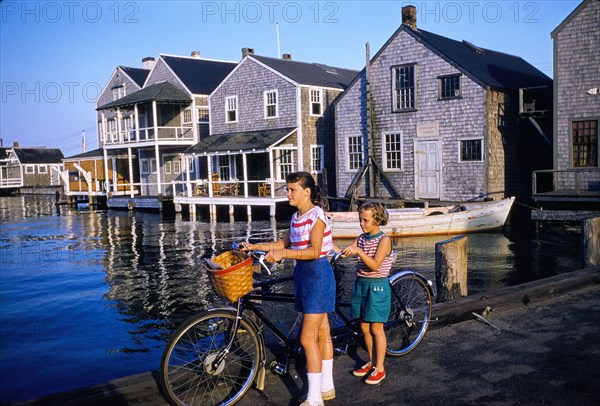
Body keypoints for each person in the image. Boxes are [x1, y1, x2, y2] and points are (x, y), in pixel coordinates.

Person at [240, 172, 335, 406]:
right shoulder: (296, 218)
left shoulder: (317, 217)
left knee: (307, 337)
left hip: (318, 273)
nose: (288, 193)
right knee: (322, 331)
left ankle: (314, 399)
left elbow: (314, 251)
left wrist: (283, 254)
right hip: (303, 274)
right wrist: (254, 246)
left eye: (292, 189)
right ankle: (327, 387)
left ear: (307, 192)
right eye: (288, 189)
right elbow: (282, 244)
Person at [341, 202, 393, 385]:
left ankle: (380, 368)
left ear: (377, 220)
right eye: (360, 220)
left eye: (365, 220)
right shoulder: (361, 238)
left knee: (376, 328)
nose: (362, 224)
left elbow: (375, 265)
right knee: (364, 327)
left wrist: (358, 251)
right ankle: (372, 362)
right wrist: (328, 247)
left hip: (377, 287)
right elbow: (345, 252)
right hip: (361, 284)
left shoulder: (384, 240)